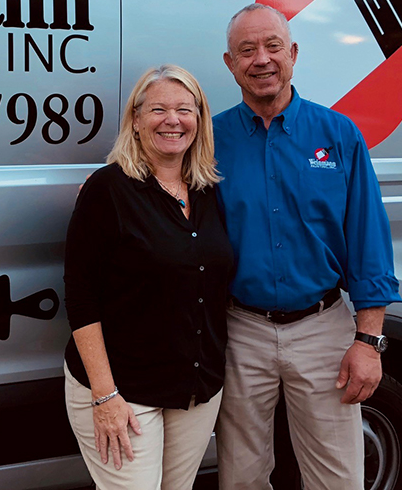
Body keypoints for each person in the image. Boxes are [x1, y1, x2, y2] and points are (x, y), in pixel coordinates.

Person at [213, 3, 401, 489]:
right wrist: (108, 185)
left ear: (293, 53)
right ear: (230, 63)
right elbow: (159, 186)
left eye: (273, 46)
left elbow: (368, 240)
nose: (262, 59)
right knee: (241, 476)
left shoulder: (337, 135)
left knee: (337, 476)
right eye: (247, 50)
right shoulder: (209, 140)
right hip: (240, 330)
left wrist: (368, 341)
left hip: (323, 328)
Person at [64, 65, 233, 490]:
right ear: (135, 120)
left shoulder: (209, 191)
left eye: (184, 109)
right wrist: (104, 396)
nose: (172, 120)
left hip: (195, 388)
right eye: (158, 109)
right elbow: (81, 296)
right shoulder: (108, 190)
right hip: (123, 391)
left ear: (199, 119)